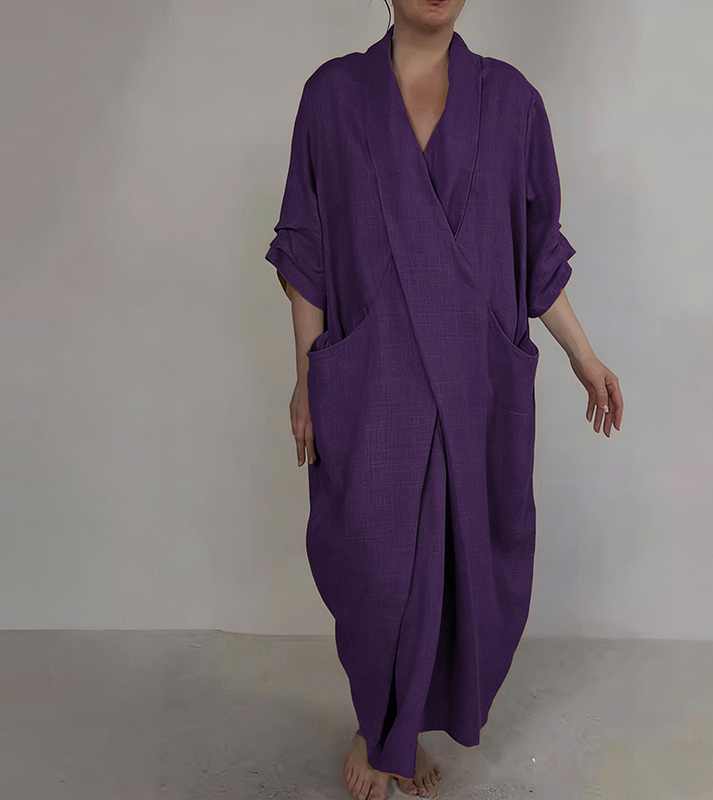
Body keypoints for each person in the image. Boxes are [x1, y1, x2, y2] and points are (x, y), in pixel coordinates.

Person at [266, 2, 623, 798]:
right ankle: (379, 723)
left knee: (464, 566)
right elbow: (306, 247)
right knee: (374, 567)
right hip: (372, 379)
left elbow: (536, 256)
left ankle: (404, 731)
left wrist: (585, 356)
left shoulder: (515, 103)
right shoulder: (332, 96)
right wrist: (307, 374)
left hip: (475, 381)